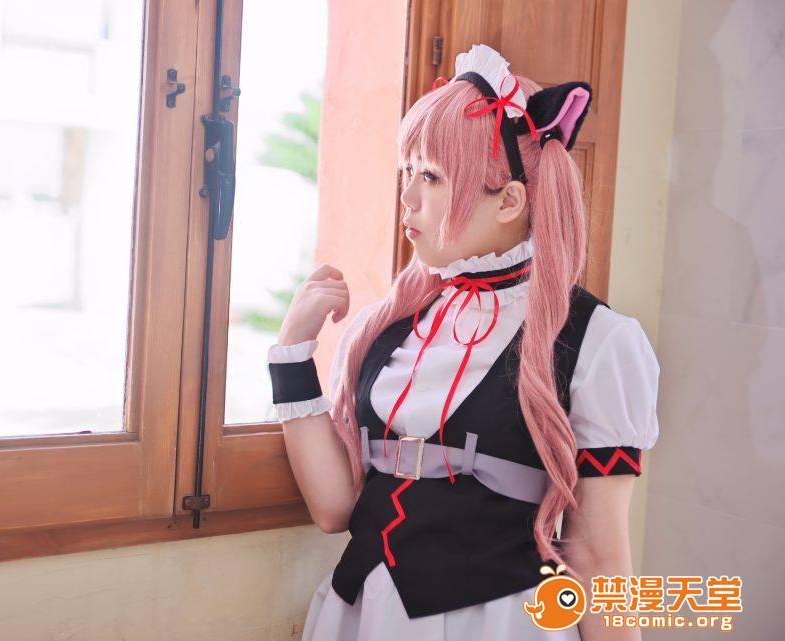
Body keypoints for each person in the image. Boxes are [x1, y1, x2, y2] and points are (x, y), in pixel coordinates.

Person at [266, 44, 660, 641]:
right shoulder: (387, 327)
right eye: (408, 171)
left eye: (431, 176)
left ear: (509, 200)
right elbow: (334, 509)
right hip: (362, 616)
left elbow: (599, 558)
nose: (408, 198)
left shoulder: (597, 342)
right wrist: (293, 353)